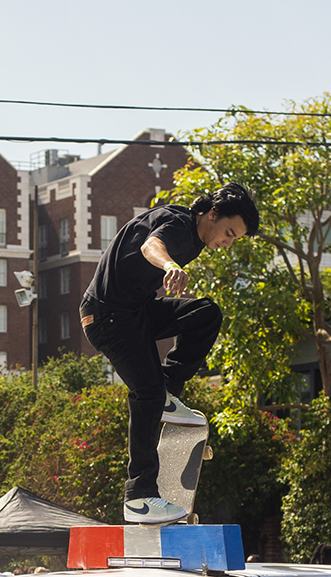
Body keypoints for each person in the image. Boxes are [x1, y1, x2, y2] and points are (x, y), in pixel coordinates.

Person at [81, 182, 258, 525]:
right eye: (229, 232)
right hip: (108, 317)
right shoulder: (178, 224)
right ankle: (139, 495)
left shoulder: (194, 237)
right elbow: (152, 245)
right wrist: (169, 266)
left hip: (135, 313)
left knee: (205, 314)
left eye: (235, 239)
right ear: (213, 213)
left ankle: (167, 387)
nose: (227, 242)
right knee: (145, 393)